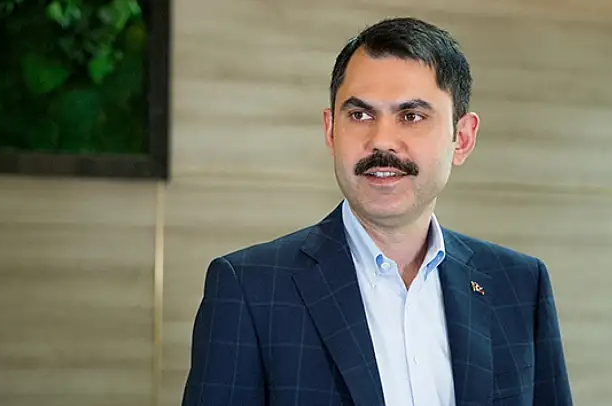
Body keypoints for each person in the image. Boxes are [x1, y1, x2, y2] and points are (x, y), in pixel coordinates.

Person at [182, 17, 572, 406]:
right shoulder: (250, 290)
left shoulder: (519, 286)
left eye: (411, 116)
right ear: (331, 130)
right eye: (360, 115)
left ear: (463, 138)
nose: (382, 140)